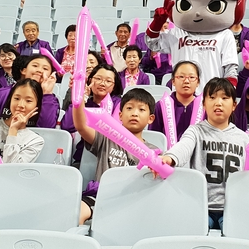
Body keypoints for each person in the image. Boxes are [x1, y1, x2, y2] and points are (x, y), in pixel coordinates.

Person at [160, 78, 249, 230]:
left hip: (232, 208)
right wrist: (169, 158)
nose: (218, 103)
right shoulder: (195, 131)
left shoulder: (243, 138)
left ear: (234, 105)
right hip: (201, 206)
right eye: (212, 97)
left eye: (224, 98)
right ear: (203, 104)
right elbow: (183, 147)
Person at [145, 0, 244, 87]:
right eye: (185, 4)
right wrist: (156, 24)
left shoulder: (225, 35)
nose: (197, 12)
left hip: (211, 97)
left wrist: (225, 95)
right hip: (182, 96)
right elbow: (152, 44)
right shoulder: (177, 32)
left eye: (215, 5)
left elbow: (230, 69)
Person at [74, 88, 156, 223]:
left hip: (135, 201)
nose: (135, 113)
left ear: (150, 118)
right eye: (129, 108)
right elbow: (81, 126)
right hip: (101, 197)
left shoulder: (154, 152)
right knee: (77, 213)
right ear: (120, 115)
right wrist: (79, 100)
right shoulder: (107, 138)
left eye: (141, 110)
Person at [0, 54, 59, 128]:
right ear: (24, 70)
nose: (39, 70)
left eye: (45, 68)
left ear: (50, 75)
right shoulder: (1, 93)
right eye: (35, 66)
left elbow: (47, 129)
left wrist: (46, 94)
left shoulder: (51, 101)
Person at [60, 62, 122, 136]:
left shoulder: (118, 104)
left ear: (114, 86)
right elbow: (67, 126)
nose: (102, 83)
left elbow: (114, 133)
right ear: (90, 80)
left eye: (108, 81)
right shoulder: (85, 103)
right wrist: (82, 98)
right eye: (98, 79)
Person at [149, 61, 201, 138]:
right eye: (181, 77)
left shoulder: (204, 107)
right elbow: (154, 137)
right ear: (173, 81)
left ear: (198, 82)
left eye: (191, 77)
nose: (186, 81)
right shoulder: (160, 106)